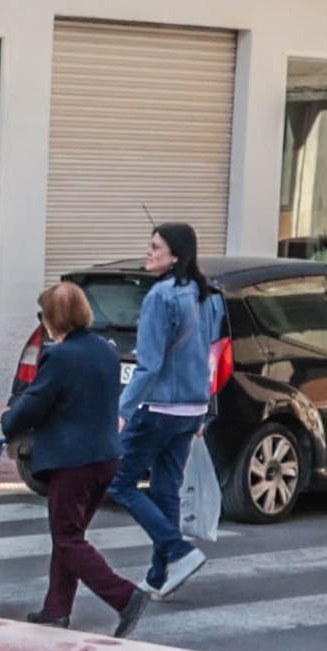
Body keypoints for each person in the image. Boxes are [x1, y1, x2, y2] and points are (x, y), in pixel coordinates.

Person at [0, 277, 147, 634]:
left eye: (44, 314)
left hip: (72, 462)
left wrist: (6, 418)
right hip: (105, 456)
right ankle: (56, 609)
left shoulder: (59, 356)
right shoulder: (105, 349)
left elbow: (35, 401)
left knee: (67, 538)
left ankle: (125, 597)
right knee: (70, 535)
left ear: (54, 318)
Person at [111, 222, 221, 595]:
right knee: (165, 489)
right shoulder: (208, 296)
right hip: (191, 410)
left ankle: (178, 550)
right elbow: (211, 356)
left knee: (119, 482)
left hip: (159, 409)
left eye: (155, 246)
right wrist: (206, 409)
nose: (148, 251)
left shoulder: (160, 297)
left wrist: (123, 408)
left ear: (175, 256)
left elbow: (150, 364)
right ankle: (159, 575)